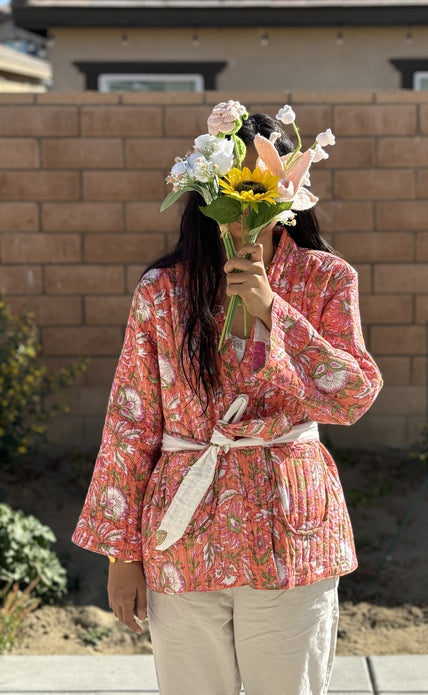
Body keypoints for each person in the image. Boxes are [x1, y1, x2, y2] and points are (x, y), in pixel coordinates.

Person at [72, 109, 383, 695]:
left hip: (292, 535)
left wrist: (275, 313)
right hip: (182, 534)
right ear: (204, 191)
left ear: (290, 187)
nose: (248, 201)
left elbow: (354, 396)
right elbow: (130, 424)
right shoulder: (163, 291)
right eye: (232, 183)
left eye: (262, 182)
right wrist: (121, 554)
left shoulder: (325, 280)